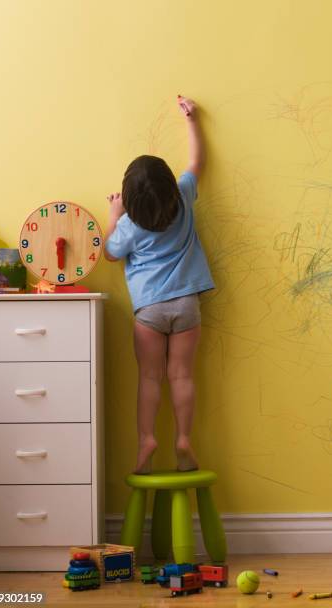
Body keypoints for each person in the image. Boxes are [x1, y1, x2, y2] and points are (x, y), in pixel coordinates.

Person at [104, 95, 214, 474]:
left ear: (131, 201)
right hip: (187, 306)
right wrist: (192, 121)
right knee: (182, 375)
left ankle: (147, 439)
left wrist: (113, 215)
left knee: (150, 377)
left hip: (149, 310)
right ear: (169, 185)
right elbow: (197, 162)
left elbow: (110, 254)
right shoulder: (183, 197)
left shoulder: (130, 225)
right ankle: (184, 438)